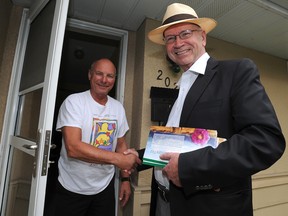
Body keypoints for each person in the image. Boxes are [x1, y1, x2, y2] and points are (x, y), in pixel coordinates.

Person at [134, 3, 286, 216]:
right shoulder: (181, 89)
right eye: (170, 38)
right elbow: (179, 143)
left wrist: (188, 168)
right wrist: (137, 158)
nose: (178, 43)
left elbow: (266, 141)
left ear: (202, 37)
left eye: (185, 33)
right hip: (163, 202)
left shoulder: (236, 72)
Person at [53, 58, 141, 216]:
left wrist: (125, 179)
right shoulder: (74, 102)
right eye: (99, 74)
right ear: (90, 75)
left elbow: (121, 144)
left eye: (110, 76)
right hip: (72, 187)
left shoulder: (117, 107)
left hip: (104, 188)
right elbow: (73, 148)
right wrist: (117, 159)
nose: (104, 80)